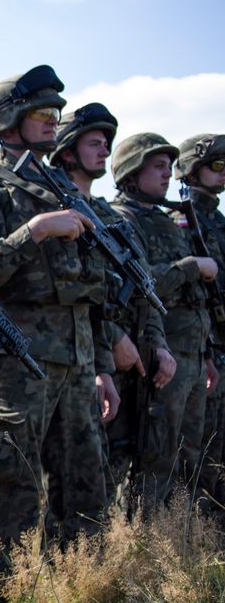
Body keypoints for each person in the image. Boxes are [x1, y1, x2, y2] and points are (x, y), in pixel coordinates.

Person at [0, 65, 114, 600]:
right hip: (16, 364)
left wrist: (104, 368)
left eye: (55, 114)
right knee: (14, 487)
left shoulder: (63, 186)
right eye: (41, 114)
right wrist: (34, 231)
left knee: (86, 484)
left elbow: (94, 289)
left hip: (78, 361)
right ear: (9, 123)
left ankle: (77, 597)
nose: (52, 123)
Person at [49, 105, 175, 509]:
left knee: (111, 470)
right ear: (68, 150)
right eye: (94, 143)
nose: (104, 151)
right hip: (80, 352)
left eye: (107, 144)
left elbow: (143, 287)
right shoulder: (51, 205)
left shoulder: (106, 215)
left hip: (123, 358)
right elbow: (71, 291)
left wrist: (157, 342)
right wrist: (113, 338)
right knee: (65, 478)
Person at [110, 133, 216, 510]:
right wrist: (189, 268)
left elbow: (194, 300)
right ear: (131, 172)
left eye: (169, 167)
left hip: (188, 354)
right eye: (157, 166)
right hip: (157, 355)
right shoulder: (121, 218)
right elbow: (141, 282)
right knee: (153, 457)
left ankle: (177, 542)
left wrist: (204, 354)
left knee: (186, 455)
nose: (167, 174)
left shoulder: (167, 222)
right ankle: (144, 545)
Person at [171, 134, 225, 515]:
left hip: (215, 344)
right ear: (192, 169)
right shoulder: (182, 218)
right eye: (216, 166)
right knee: (197, 447)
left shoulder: (216, 220)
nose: (223, 174)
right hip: (200, 345)